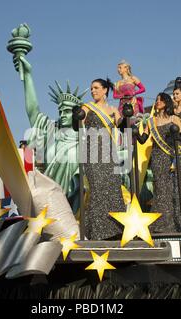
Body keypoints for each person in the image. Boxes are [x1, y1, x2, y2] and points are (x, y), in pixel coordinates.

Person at [13, 55, 84, 213]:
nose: (62, 114)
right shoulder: (51, 129)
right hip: (52, 201)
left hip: (77, 207)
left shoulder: (84, 137)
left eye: (67, 111)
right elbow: (33, 110)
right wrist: (28, 76)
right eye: (60, 111)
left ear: (77, 113)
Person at [72, 78, 127, 240]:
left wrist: (130, 117)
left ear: (105, 90)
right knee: (97, 189)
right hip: (92, 153)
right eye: (91, 88)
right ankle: (96, 231)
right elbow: (78, 125)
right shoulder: (87, 107)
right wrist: (75, 116)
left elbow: (122, 125)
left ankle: (115, 231)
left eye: (96, 88)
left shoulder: (113, 110)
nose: (93, 91)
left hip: (110, 154)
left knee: (113, 188)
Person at [135, 93, 181, 233]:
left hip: (172, 157)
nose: (158, 102)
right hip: (157, 157)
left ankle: (176, 221)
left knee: (173, 187)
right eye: (156, 100)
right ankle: (160, 223)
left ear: (167, 102)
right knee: (160, 187)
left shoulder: (175, 119)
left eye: (161, 100)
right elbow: (143, 139)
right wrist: (135, 133)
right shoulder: (151, 121)